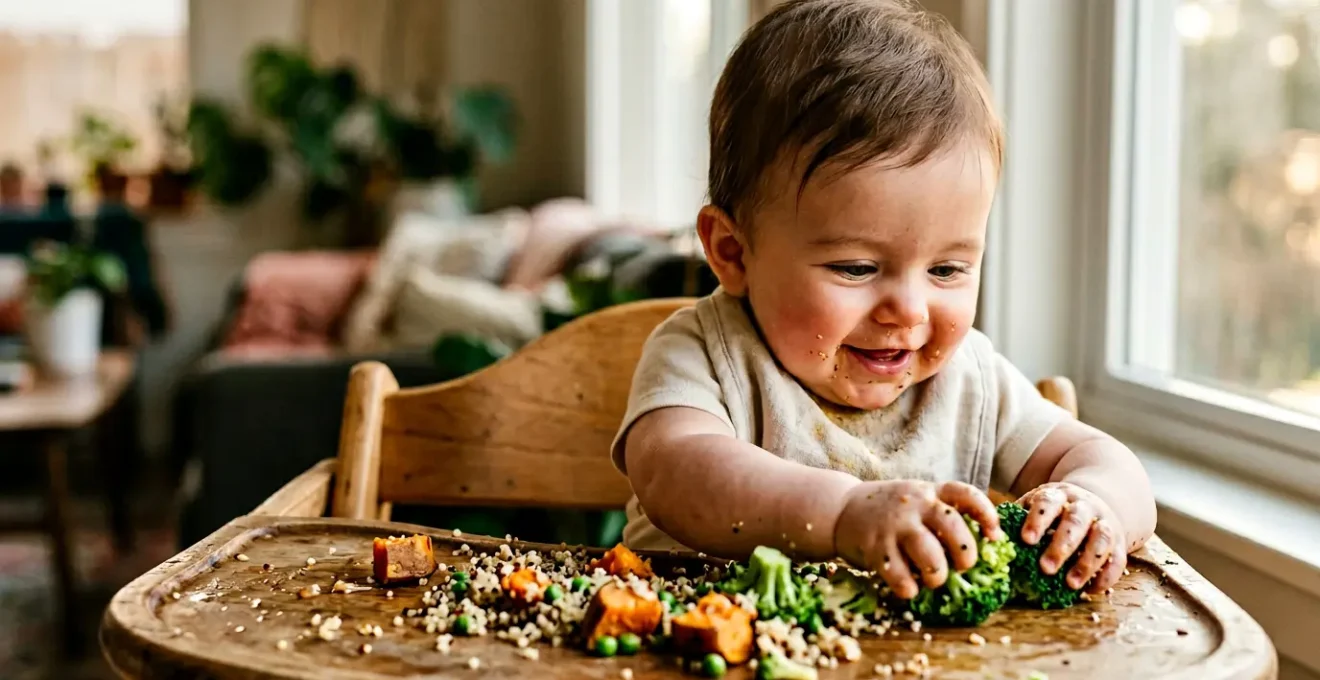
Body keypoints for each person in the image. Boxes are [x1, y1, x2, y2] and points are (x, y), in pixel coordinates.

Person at [610, 0, 1156, 601]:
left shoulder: (971, 382)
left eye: (947, 268)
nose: (910, 311)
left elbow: (1106, 461)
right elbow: (675, 473)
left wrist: (1096, 503)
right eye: (857, 268)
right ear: (734, 253)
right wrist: (844, 513)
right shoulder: (704, 355)